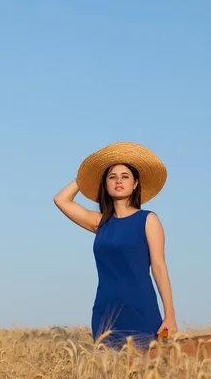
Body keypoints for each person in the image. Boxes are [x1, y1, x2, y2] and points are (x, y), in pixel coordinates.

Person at [53, 141, 178, 351]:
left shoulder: (148, 220)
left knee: (144, 374)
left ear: (135, 184)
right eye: (112, 177)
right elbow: (61, 199)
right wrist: (88, 174)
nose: (118, 181)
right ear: (105, 184)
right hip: (105, 312)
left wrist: (170, 315)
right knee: (108, 378)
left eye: (125, 176)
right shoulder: (99, 222)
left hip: (141, 310)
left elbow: (159, 267)